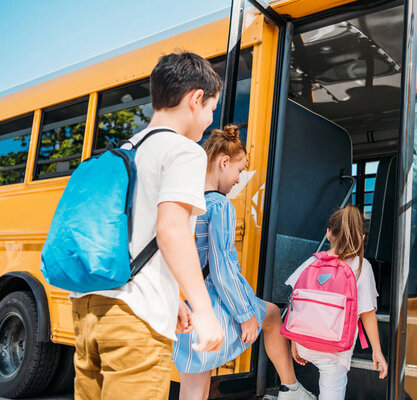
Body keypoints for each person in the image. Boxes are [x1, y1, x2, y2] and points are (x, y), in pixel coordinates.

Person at [70, 52, 225, 399]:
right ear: (195, 99)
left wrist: (176, 299)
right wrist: (203, 309)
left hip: (88, 310)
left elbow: (137, 234)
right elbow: (171, 230)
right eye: (211, 108)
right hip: (134, 322)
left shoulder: (125, 150)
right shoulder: (186, 151)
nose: (211, 119)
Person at [173, 125, 315, 400]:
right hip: (211, 305)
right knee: (272, 316)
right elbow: (222, 268)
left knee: (194, 387)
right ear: (223, 162)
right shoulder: (220, 205)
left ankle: (292, 390)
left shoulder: (185, 201)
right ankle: (292, 390)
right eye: (239, 170)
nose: (239, 180)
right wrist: (245, 314)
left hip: (184, 305)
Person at [286, 205, 388, 400]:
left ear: (328, 234)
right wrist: (377, 350)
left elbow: (296, 304)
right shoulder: (361, 267)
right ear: (362, 237)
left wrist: (294, 342)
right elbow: (367, 313)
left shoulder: (312, 262)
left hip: (304, 344)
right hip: (335, 351)